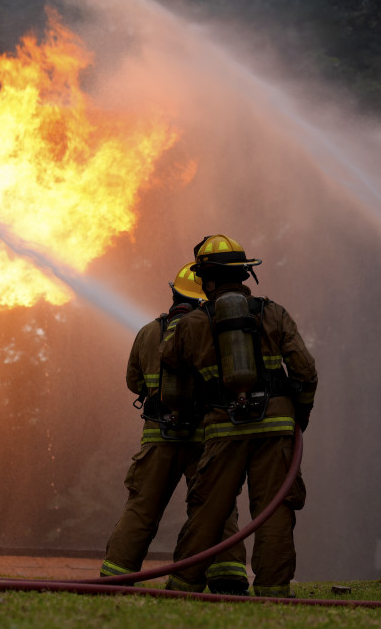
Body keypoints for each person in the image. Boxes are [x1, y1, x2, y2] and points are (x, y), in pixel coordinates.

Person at [161, 234, 317, 598]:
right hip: (277, 426)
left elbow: (170, 360)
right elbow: (305, 371)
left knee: (208, 509)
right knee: (274, 509)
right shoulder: (274, 313)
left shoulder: (195, 323)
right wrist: (300, 414)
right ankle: (273, 592)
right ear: (245, 274)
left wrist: (179, 323)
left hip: (224, 426)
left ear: (207, 280)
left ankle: (183, 587)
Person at [100, 262, 249, 595]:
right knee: (215, 507)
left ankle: (116, 577)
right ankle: (228, 577)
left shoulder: (149, 332)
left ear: (174, 293)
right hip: (206, 440)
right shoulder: (215, 331)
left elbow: (132, 381)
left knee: (142, 509)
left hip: (159, 438)